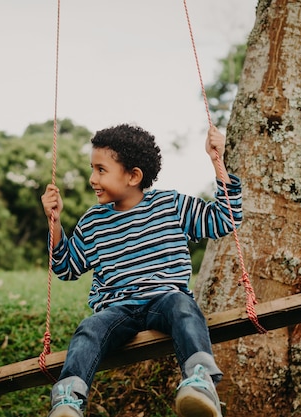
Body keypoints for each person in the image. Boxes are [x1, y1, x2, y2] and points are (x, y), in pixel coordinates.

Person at [40, 123, 242, 417]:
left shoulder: (169, 205)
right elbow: (66, 267)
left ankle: (200, 381)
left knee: (183, 308)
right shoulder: (94, 221)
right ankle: (68, 400)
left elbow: (224, 219)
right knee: (89, 329)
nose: (92, 178)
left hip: (164, 299)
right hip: (117, 308)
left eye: (101, 170)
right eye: (92, 169)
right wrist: (55, 224)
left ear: (133, 176)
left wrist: (217, 162)